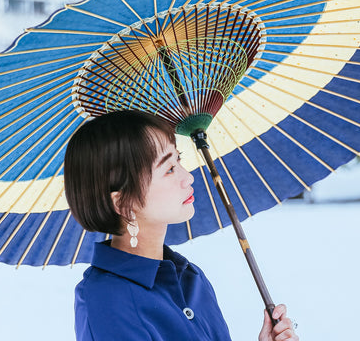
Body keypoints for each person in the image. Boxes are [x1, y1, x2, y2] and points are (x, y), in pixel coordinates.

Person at [64, 110, 299, 340]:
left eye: (179, 160)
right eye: (169, 169)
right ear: (123, 203)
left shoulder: (191, 278)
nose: (188, 177)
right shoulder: (105, 301)